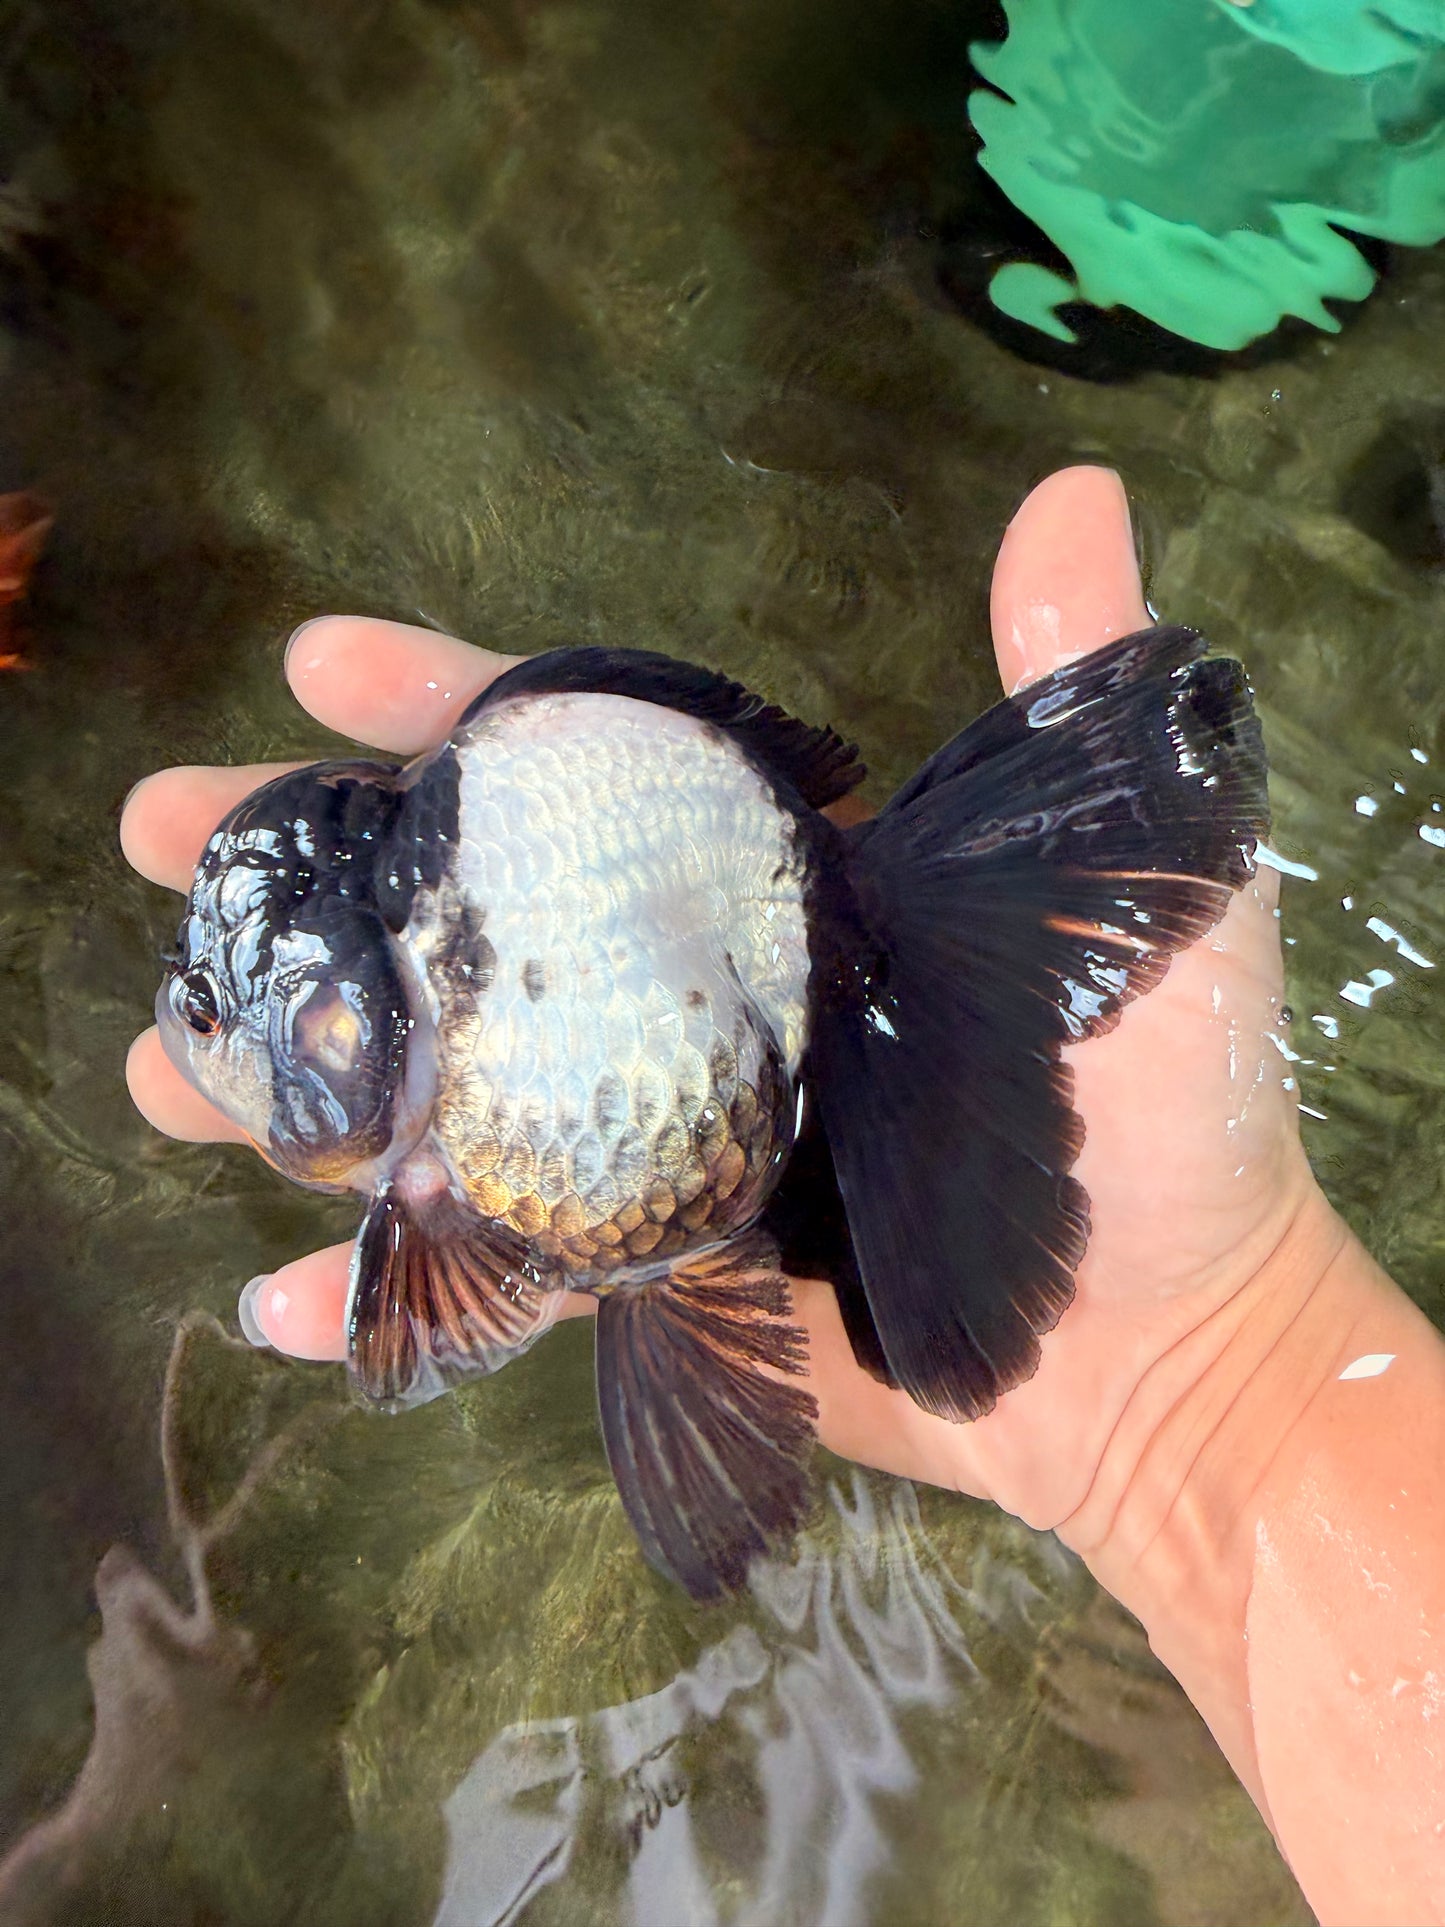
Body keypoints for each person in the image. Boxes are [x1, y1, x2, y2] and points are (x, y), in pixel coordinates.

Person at [121, 466, 1445, 1927]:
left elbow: (439, 1296)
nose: (194, 1026)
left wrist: (1233, 1373)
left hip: (733, 958)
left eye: (214, 1003)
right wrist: (1244, 1390)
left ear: (335, 1031)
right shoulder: (436, 1094)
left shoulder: (447, 1108)